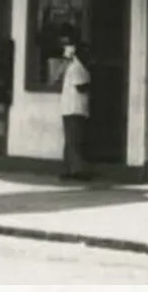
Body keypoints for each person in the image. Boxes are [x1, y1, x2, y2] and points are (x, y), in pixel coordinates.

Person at [58, 29, 92, 181]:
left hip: (70, 108)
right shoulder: (78, 67)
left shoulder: (75, 66)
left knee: (71, 141)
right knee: (75, 140)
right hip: (74, 108)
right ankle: (76, 170)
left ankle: (71, 169)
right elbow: (82, 86)